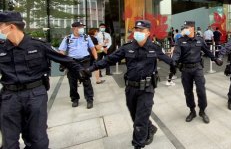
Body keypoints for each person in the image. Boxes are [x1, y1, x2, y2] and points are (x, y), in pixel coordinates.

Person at [0, 11, 87, 148]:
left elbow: (64, 59)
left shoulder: (38, 45)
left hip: (35, 95)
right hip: (9, 97)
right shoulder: (1, 48)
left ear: (11, 27)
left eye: (0, 26)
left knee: (37, 139)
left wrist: (81, 70)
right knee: (8, 142)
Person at [87, 20, 176, 149]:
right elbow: (109, 60)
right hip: (130, 88)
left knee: (139, 121)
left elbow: (168, 59)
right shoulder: (127, 47)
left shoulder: (154, 47)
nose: (138, 32)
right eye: (136, 30)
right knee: (135, 116)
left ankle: (138, 145)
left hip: (147, 89)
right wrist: (90, 68)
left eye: (141, 30)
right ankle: (150, 128)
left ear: (148, 33)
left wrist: (176, 65)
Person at [172, 21, 223, 123]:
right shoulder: (180, 41)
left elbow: (207, 51)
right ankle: (192, 111)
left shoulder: (199, 40)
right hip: (186, 69)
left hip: (197, 68)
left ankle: (202, 111)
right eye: (184, 27)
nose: (184, 29)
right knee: (188, 91)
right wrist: (173, 62)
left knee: (201, 90)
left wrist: (215, 59)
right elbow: (176, 53)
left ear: (192, 28)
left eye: (186, 27)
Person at [59, 22, 98, 109]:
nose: (82, 28)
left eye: (82, 27)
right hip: (72, 62)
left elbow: (92, 48)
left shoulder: (86, 37)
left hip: (85, 61)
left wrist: (96, 59)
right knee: (72, 82)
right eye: (80, 27)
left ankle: (89, 100)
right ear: (74, 28)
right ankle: (75, 99)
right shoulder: (68, 38)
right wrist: (62, 62)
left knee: (86, 80)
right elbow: (62, 51)